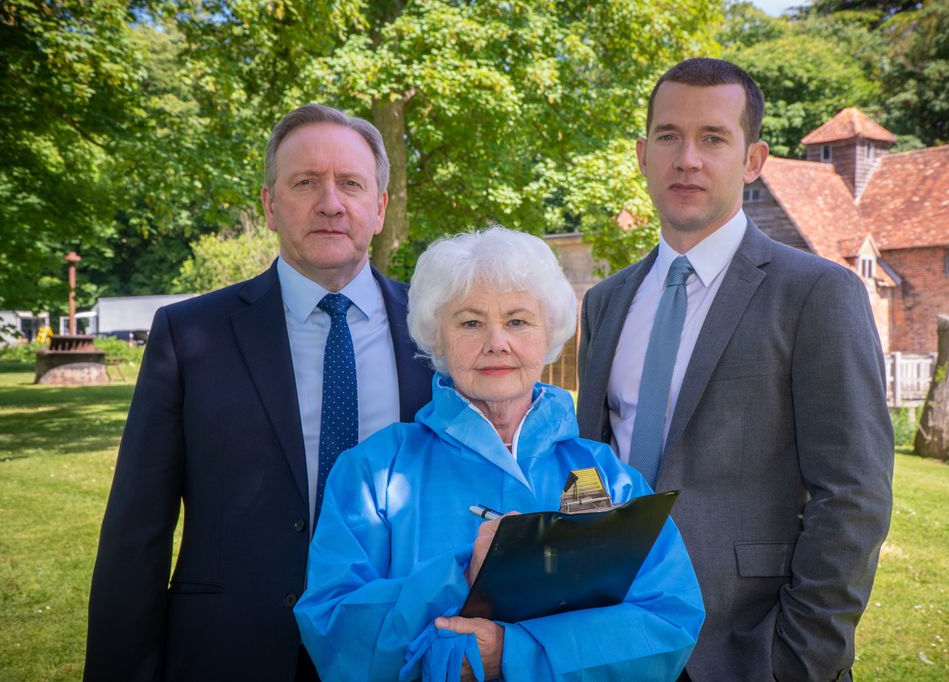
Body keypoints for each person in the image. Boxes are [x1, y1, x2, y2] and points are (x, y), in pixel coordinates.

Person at [84, 104, 433, 681]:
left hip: (401, 647)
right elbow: (135, 533)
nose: (330, 202)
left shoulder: (440, 332)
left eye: (350, 183)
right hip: (234, 652)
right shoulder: (189, 334)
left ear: (379, 208)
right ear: (270, 205)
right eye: (305, 183)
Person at [576, 58, 894, 682]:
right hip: (608, 633)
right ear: (643, 154)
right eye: (668, 136)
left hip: (745, 648)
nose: (687, 158)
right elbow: (592, 462)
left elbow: (853, 495)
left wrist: (798, 659)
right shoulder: (606, 301)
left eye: (713, 138)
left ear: (753, 160)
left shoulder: (816, 294)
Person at [294, 227, 705, 680]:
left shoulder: (607, 475)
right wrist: (463, 575)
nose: (497, 342)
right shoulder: (373, 472)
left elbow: (668, 622)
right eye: (470, 322)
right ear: (437, 339)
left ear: (549, 335)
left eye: (517, 321)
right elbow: (334, 633)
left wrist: (513, 653)